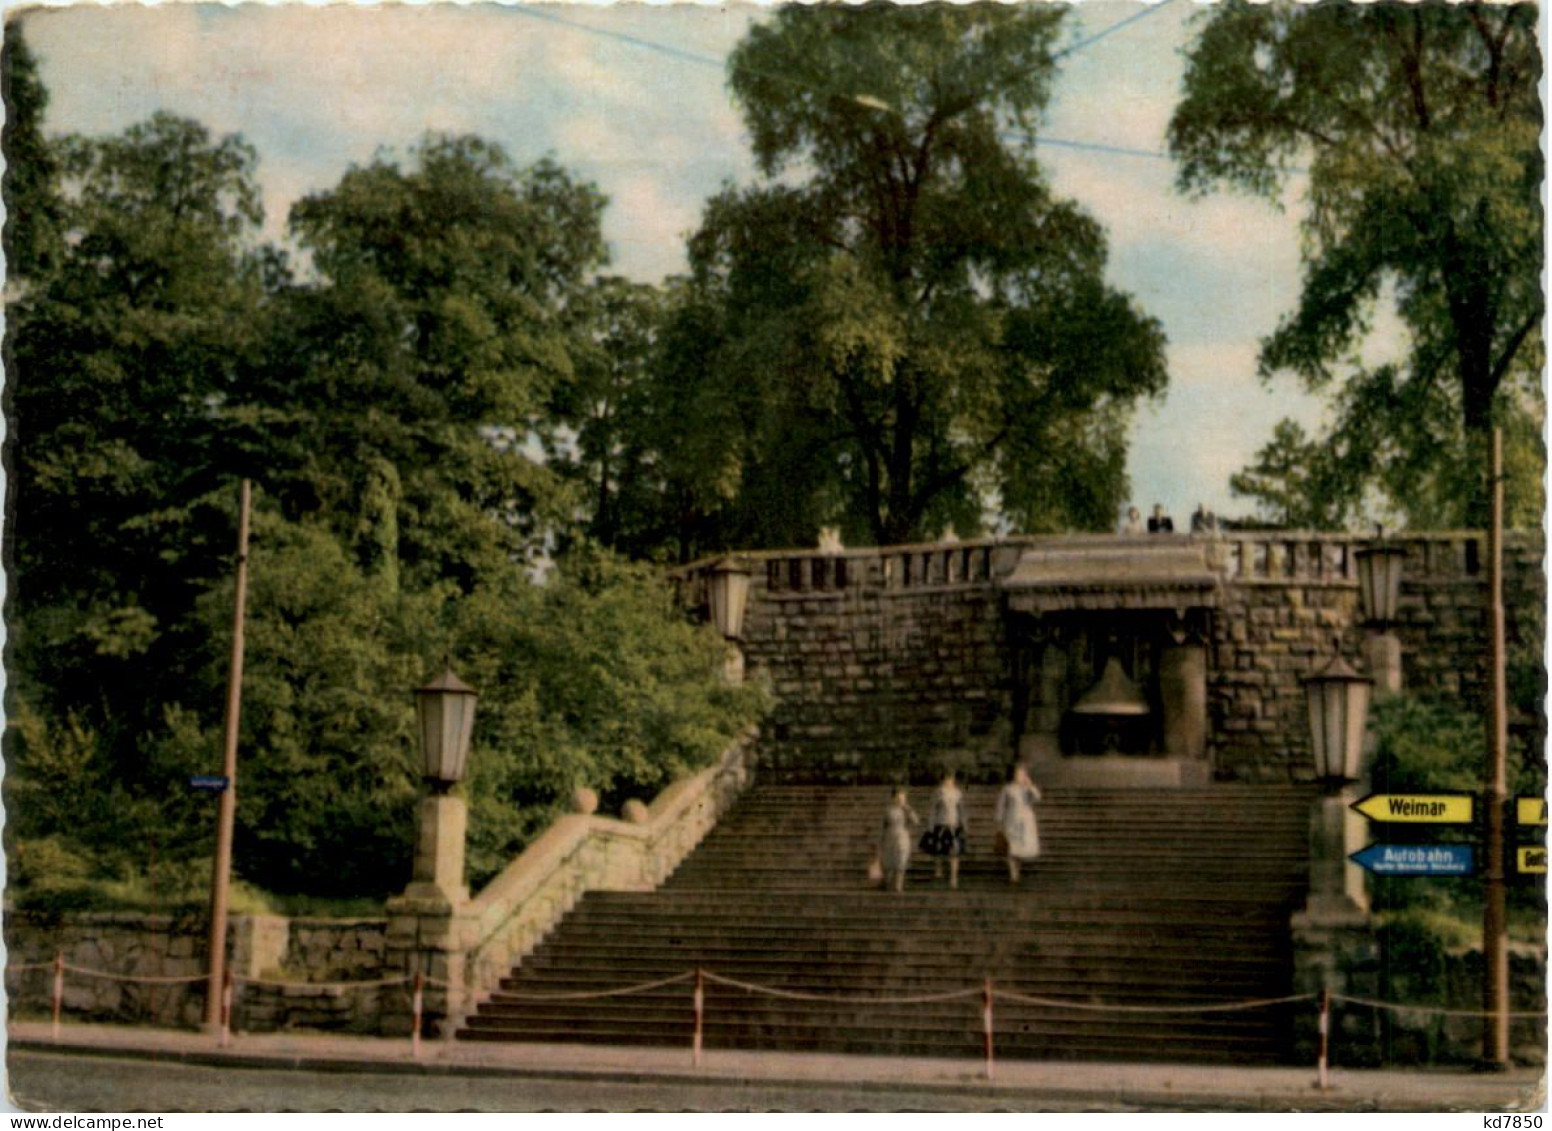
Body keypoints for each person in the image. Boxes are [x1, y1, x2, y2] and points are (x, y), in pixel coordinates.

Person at [921, 770, 969, 889]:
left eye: (951, 779)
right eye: (947, 779)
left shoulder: (957, 793)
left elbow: (961, 809)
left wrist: (964, 823)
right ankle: (938, 871)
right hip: (940, 824)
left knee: (954, 853)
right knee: (939, 851)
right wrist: (930, 825)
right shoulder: (939, 792)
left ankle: (953, 877)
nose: (949, 782)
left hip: (954, 824)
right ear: (943, 780)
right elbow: (933, 809)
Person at [994, 765, 1042, 883]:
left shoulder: (1027, 789)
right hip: (1011, 820)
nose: (1019, 776)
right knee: (1011, 846)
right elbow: (1001, 805)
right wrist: (999, 820)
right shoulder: (1008, 789)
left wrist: (1030, 785)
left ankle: (1017, 870)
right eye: (1018, 774)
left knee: (1020, 848)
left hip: (1025, 822)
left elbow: (1037, 798)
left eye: (1022, 774)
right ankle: (1013, 873)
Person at [877, 786, 921, 893]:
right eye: (898, 798)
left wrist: (908, 809)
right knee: (889, 862)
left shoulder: (907, 810)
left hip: (902, 837)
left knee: (901, 861)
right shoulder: (888, 810)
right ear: (893, 798)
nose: (900, 800)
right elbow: (883, 826)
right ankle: (887, 882)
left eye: (902, 798)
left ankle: (898, 886)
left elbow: (916, 822)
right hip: (890, 837)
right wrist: (880, 841)